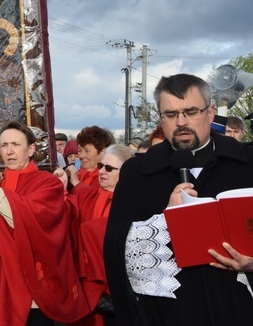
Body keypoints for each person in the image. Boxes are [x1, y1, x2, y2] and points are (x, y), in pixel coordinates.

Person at [104, 73, 253, 325]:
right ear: (161, 118)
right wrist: (164, 220)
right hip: (170, 313)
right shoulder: (137, 173)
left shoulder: (247, 163)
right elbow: (115, 248)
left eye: (191, 111)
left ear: (210, 112)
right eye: (171, 114)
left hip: (238, 305)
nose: (181, 122)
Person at [0, 121, 89, 325]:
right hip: (0, 287)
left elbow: (34, 222)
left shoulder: (47, 182)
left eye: (16, 145)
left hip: (32, 291)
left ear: (31, 148)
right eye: (4, 145)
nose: (9, 151)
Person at [57, 143, 133, 326]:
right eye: (100, 166)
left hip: (117, 285)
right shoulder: (88, 194)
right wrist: (62, 186)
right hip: (86, 287)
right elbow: (67, 215)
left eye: (109, 168)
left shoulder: (132, 203)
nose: (101, 172)